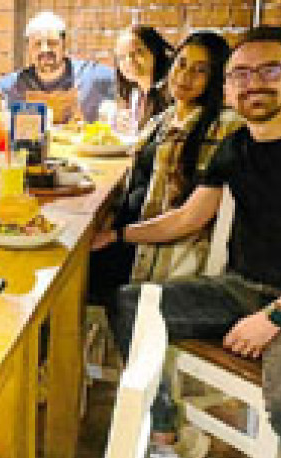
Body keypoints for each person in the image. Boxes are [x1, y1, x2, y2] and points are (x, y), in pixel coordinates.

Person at [105, 27, 281, 458]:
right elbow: (191, 216)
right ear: (230, 86)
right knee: (132, 302)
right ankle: (167, 437)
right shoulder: (238, 144)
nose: (254, 83)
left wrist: (275, 319)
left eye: (269, 70)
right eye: (241, 73)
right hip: (240, 289)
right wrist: (119, 234)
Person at [89, 31, 241, 311]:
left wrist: (116, 236)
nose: (185, 76)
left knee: (69, 276)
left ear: (217, 78)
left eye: (201, 70)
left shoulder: (224, 128)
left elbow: (189, 219)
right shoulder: (164, 119)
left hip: (159, 251)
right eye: (181, 64)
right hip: (131, 237)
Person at [0, 11, 115, 123]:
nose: (45, 49)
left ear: (64, 45)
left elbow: (128, 81)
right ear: (28, 49)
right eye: (37, 44)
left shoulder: (92, 76)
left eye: (52, 43)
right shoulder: (10, 86)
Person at [114, 25, 173, 133]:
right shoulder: (134, 95)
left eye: (137, 52)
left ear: (154, 52)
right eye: (121, 57)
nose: (129, 61)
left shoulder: (170, 94)